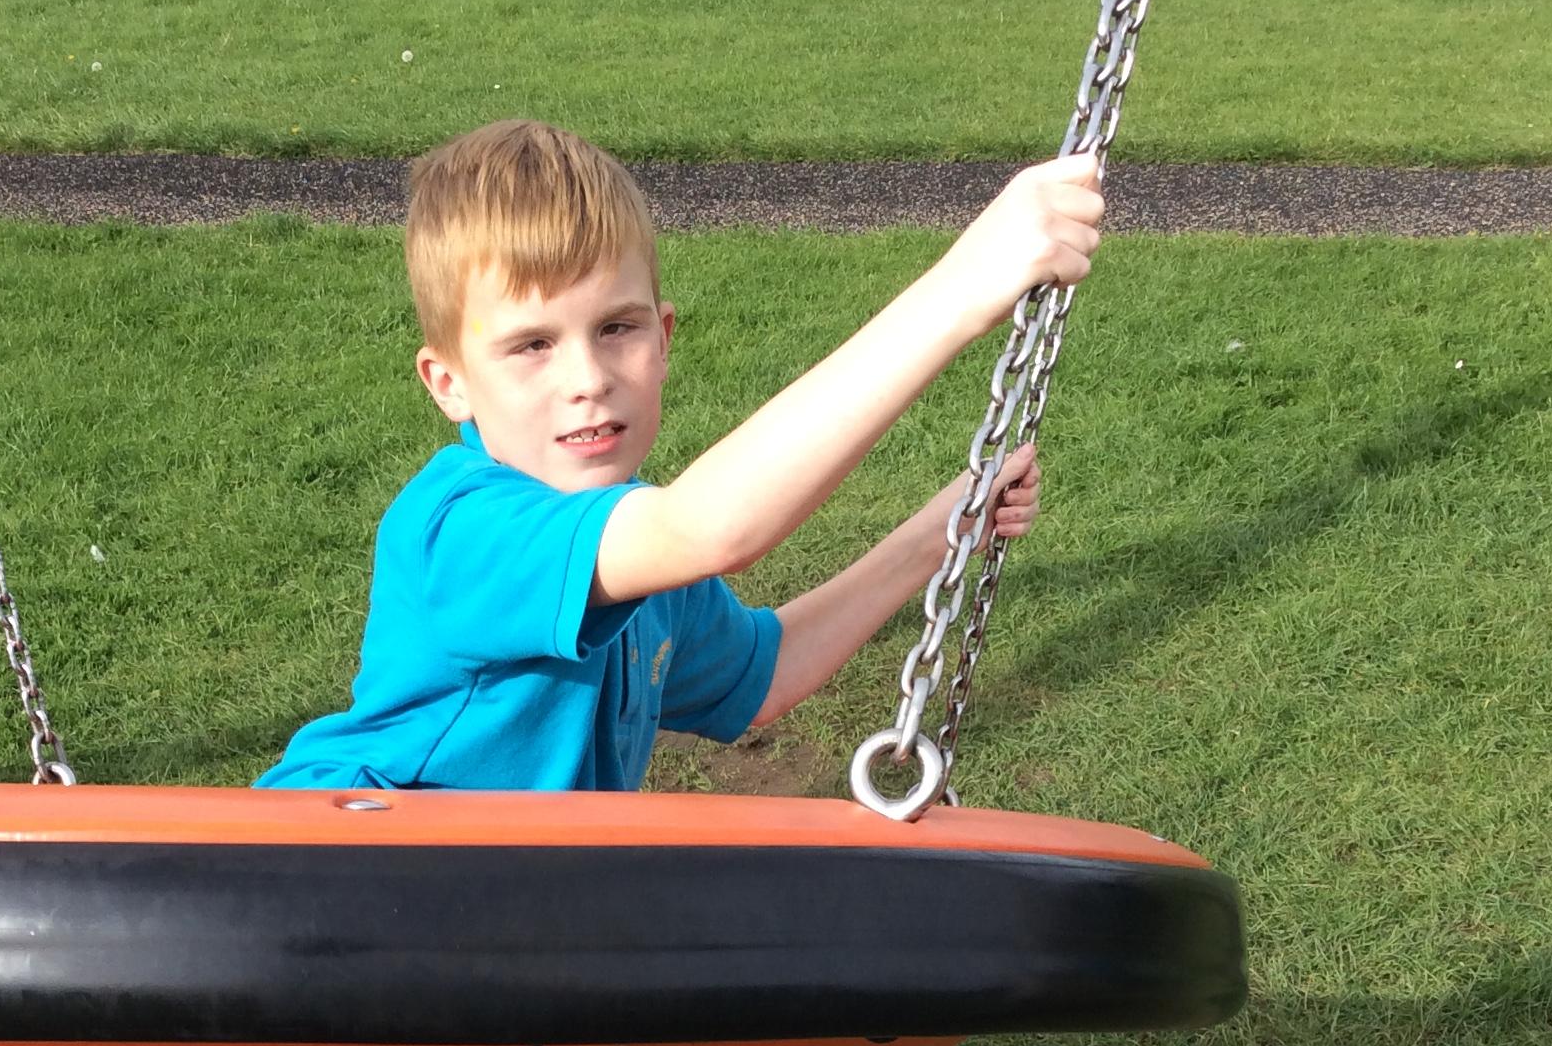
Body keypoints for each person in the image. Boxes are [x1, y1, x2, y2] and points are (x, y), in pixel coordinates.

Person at [255, 120, 1102, 796]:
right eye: (532, 345)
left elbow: (765, 672)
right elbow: (711, 527)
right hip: (324, 877)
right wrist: (963, 286)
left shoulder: (645, 569)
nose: (588, 379)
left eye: (615, 328)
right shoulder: (462, 529)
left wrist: (939, 534)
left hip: (500, 906)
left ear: (662, 340)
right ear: (451, 384)